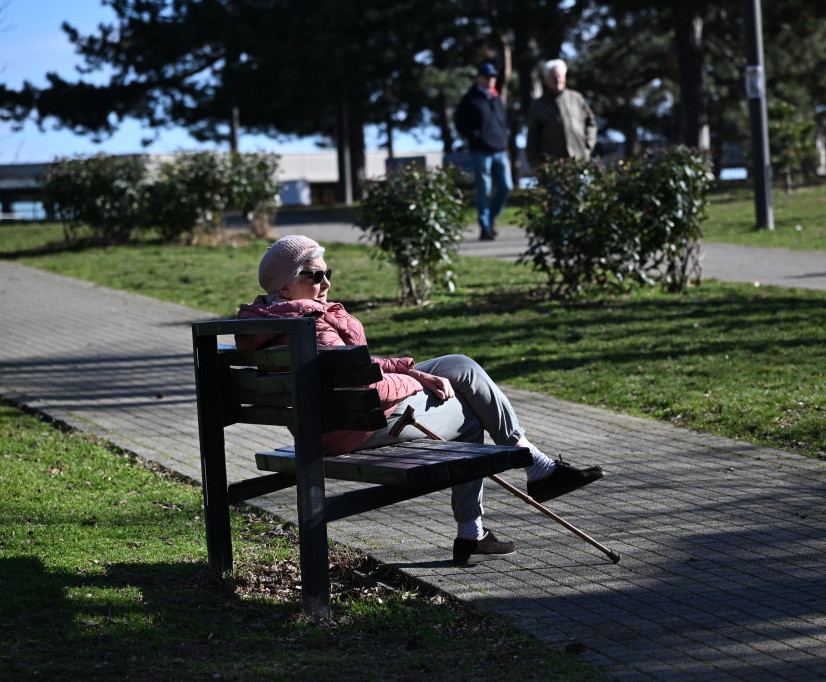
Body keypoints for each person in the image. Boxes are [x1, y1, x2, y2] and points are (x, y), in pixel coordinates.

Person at [236, 235, 605, 564]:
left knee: (458, 366)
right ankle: (488, 514)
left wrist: (413, 370)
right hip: (355, 428)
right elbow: (364, 388)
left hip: (331, 423)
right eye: (315, 276)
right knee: (471, 417)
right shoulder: (311, 325)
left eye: (326, 272)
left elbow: (355, 367)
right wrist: (411, 384)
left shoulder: (274, 322)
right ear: (286, 289)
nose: (326, 282)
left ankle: (532, 468)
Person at [454, 61, 514, 242]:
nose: (491, 80)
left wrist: (506, 134)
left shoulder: (497, 98)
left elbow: (504, 122)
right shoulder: (470, 99)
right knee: (485, 189)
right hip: (480, 151)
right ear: (479, 78)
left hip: (499, 149)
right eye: (487, 76)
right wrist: (475, 135)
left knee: (506, 187)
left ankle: (490, 218)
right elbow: (460, 123)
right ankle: (485, 227)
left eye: (493, 76)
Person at [526, 59, 598, 167]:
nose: (557, 79)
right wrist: (535, 164)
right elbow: (532, 137)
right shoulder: (538, 105)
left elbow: (591, 123)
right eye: (553, 76)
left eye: (559, 76)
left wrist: (588, 147)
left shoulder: (576, 98)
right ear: (545, 80)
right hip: (552, 165)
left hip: (579, 161)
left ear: (564, 77)